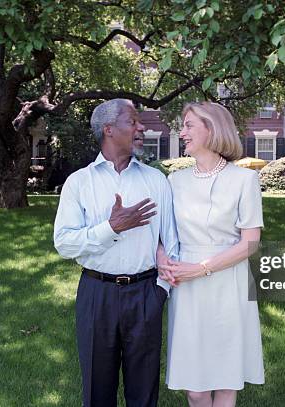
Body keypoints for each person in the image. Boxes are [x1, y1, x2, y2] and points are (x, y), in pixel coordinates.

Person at [53, 98, 178, 407]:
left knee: (144, 392)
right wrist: (112, 227)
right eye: (132, 122)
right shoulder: (78, 183)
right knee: (97, 390)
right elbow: (65, 243)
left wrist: (159, 293)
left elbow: (172, 243)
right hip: (97, 294)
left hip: (146, 294)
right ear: (108, 130)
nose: (141, 127)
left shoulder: (156, 181)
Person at [159, 101, 265, 407]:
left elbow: (249, 243)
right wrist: (162, 260)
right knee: (195, 388)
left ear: (212, 128)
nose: (182, 132)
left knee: (225, 378)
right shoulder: (175, 181)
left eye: (189, 125)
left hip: (227, 282)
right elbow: (163, 234)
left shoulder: (244, 180)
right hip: (186, 286)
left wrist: (201, 268)